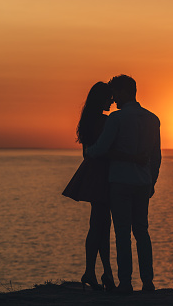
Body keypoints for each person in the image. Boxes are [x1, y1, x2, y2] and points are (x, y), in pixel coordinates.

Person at [86, 74, 161, 294]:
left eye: (116, 93)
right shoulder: (152, 118)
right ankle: (148, 282)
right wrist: (152, 181)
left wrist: (88, 152)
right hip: (143, 182)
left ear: (126, 92)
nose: (114, 98)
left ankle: (126, 282)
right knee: (142, 232)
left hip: (120, 181)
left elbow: (101, 147)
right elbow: (157, 156)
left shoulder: (116, 119)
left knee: (122, 234)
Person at [62, 82, 116, 291]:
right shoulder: (105, 121)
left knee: (99, 225)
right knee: (101, 225)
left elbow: (86, 152)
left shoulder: (88, 120)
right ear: (102, 99)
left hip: (92, 173)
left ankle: (99, 272)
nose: (112, 101)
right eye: (109, 97)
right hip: (103, 175)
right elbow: (107, 148)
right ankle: (97, 272)